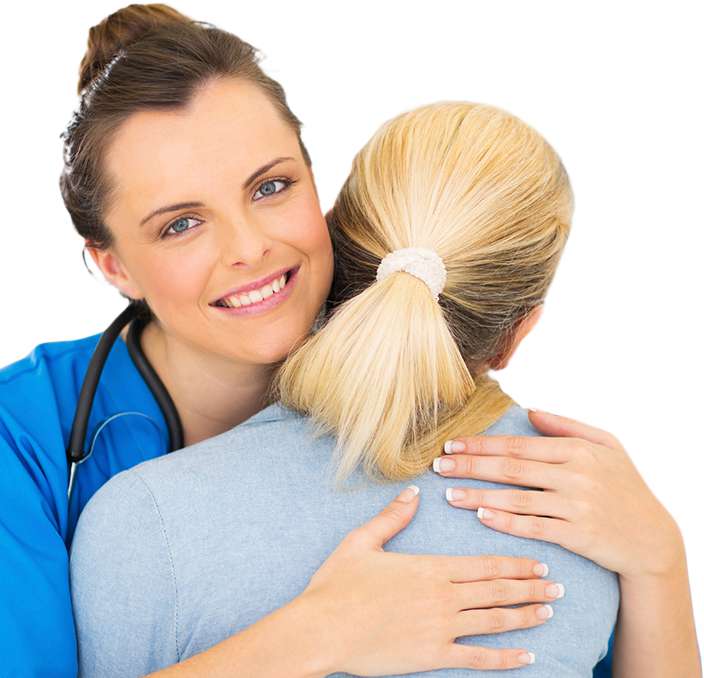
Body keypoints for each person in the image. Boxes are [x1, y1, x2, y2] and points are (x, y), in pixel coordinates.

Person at [3, 3, 697, 677]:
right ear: (112, 264)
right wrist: (318, 635)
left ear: (320, 187)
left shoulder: (460, 410)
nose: (251, 247)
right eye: (181, 224)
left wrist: (660, 559)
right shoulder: (22, 438)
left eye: (271, 186)